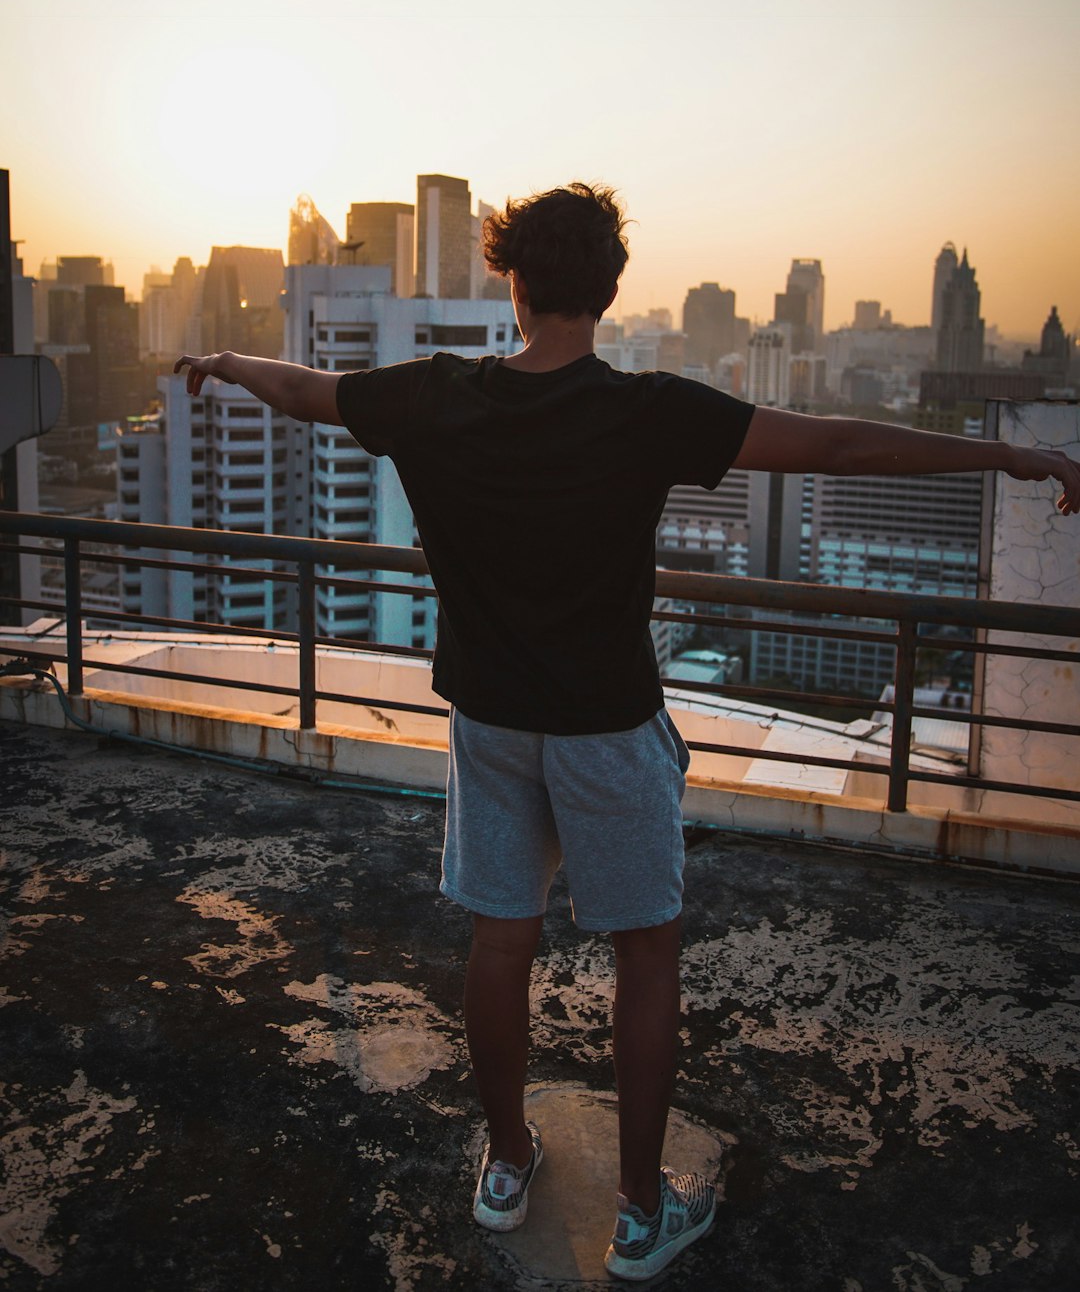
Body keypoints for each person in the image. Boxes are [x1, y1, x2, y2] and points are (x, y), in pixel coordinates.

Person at [176, 183, 1079, 1281]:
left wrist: (226, 363)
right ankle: (641, 1213)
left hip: (492, 722)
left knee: (500, 941)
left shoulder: (432, 397)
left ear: (512, 282)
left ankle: (508, 1164)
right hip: (606, 725)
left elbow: (307, 391)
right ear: (608, 290)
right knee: (645, 953)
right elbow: (837, 449)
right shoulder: (648, 410)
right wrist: (1005, 458)